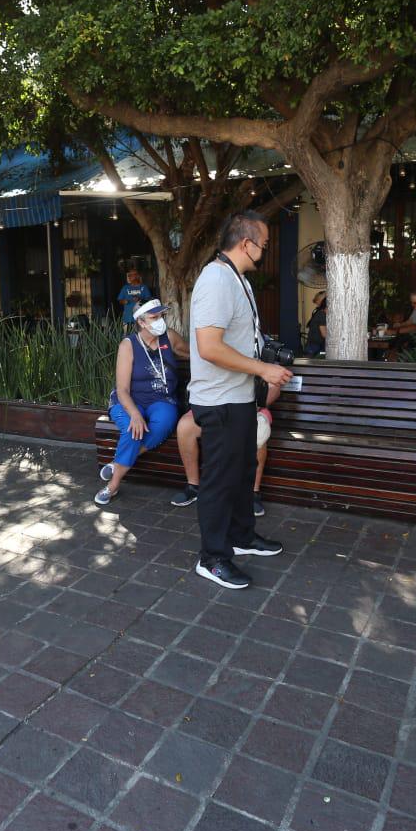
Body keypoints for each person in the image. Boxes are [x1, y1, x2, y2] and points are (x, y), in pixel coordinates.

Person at [187, 212, 293, 590]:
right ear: (246, 243)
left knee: (243, 471)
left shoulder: (239, 281)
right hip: (219, 400)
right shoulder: (215, 280)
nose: (264, 251)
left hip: (240, 396)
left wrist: (265, 358)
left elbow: (239, 338)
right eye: (262, 244)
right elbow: (209, 347)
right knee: (219, 480)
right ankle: (212, 558)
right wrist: (263, 369)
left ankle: (242, 537)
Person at [95, 299, 188, 505]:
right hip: (129, 400)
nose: (160, 321)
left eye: (161, 316)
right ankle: (113, 485)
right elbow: (122, 389)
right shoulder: (128, 345)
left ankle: (116, 464)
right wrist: (135, 415)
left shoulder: (169, 337)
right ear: (142, 322)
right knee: (132, 429)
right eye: (154, 317)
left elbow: (193, 353)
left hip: (162, 400)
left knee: (164, 423)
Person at [170, 379, 282, 516]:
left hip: (253, 407)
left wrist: (251, 407)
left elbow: (274, 388)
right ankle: (193, 486)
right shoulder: (217, 357)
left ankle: (253, 492)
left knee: (257, 430)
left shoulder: (261, 358)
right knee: (185, 426)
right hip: (214, 405)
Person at [304, 290, 327, 356]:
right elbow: (324, 334)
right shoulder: (321, 314)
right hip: (314, 346)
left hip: (314, 345)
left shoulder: (317, 312)